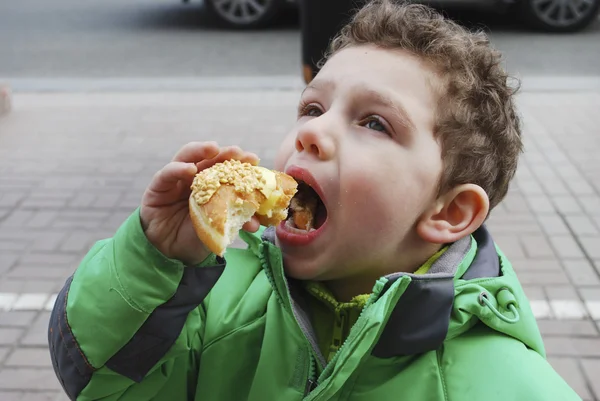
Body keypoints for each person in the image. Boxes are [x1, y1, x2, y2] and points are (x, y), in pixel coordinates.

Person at [48, 1, 581, 400]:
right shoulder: (216, 303)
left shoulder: (507, 384)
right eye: (312, 108)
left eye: (374, 122)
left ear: (448, 212)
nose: (313, 133)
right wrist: (152, 259)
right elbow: (93, 376)